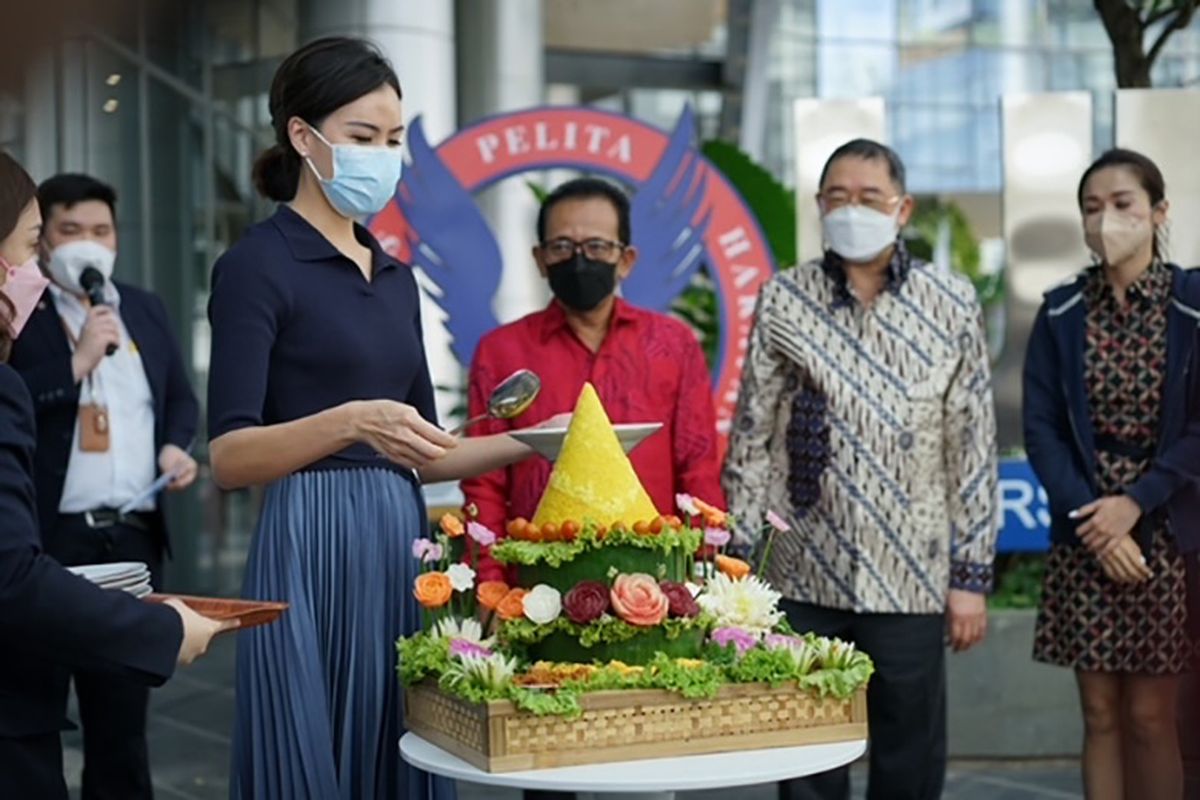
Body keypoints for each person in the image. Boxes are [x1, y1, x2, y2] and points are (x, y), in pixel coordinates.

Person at [207, 37, 539, 800]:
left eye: (393, 141)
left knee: (403, 741)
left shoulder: (394, 278)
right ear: (302, 136)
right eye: (363, 138)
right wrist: (350, 422)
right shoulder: (256, 265)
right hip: (307, 534)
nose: (383, 157)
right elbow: (229, 456)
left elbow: (427, 452)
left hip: (400, 534)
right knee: (311, 739)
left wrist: (534, 439)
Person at [723, 139, 998, 800]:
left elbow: (972, 443)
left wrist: (970, 578)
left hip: (912, 572)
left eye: (869, 198)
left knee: (908, 757)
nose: (853, 209)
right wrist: (745, 572)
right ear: (819, 207)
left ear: (901, 210)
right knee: (808, 758)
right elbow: (753, 435)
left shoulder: (950, 301)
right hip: (803, 568)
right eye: (838, 197)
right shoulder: (785, 298)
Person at [0, 150, 230, 800]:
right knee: (30, 711)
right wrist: (74, 365)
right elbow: (13, 580)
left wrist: (173, 446)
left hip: (129, 533)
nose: (89, 245)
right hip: (46, 539)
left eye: (102, 231)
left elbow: (180, 397)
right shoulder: (29, 322)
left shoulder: (145, 309)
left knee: (121, 729)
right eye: (62, 232)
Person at [1024, 148, 1200, 800]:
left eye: (1123, 204)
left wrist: (1136, 504)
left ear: (1158, 211)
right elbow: (1040, 427)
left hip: (1165, 535)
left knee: (1153, 719)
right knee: (1098, 716)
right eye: (1092, 208)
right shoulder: (1063, 311)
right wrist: (1097, 523)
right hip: (1085, 533)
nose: (1107, 221)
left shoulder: (1192, 303)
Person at [463, 177, 725, 582]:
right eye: (562, 247)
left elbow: (698, 468)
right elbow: (485, 485)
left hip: (657, 582)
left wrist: (704, 573)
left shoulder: (673, 345)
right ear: (540, 258)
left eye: (598, 247)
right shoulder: (502, 351)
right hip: (537, 585)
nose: (580, 260)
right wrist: (489, 584)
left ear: (626, 259)